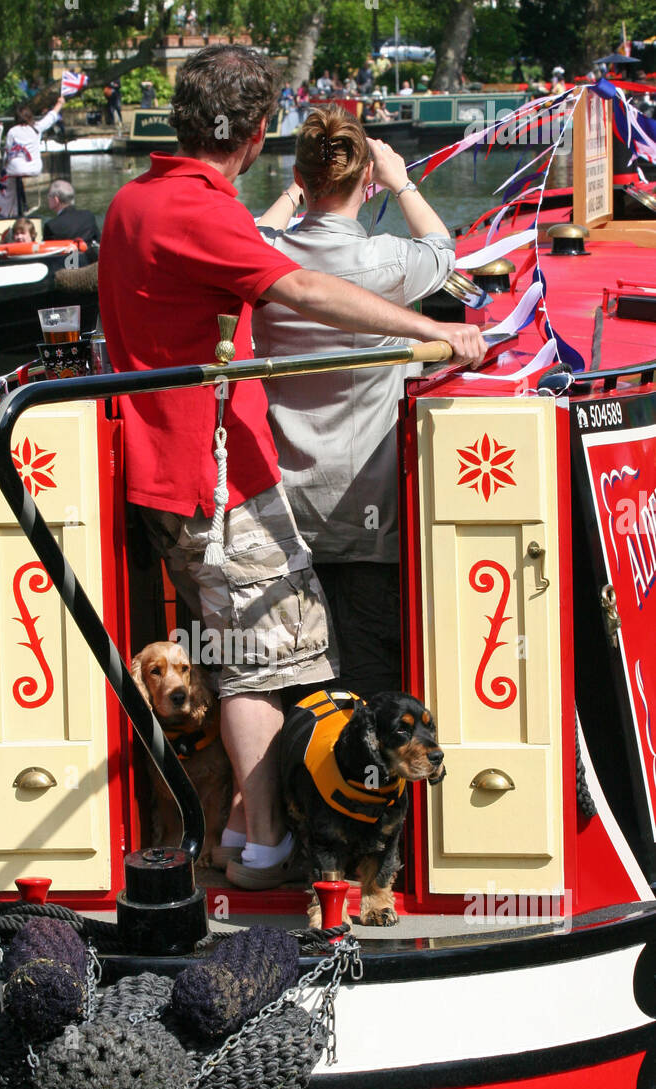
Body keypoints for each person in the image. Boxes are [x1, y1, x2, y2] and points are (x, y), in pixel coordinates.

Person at [98, 45, 484, 887]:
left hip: (165, 467)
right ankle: (265, 845)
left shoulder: (134, 201)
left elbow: (256, 249)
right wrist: (430, 332)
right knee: (268, 659)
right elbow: (301, 287)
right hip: (211, 476)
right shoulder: (202, 213)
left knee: (254, 647)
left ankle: (240, 826)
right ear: (256, 129)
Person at [253, 106, 457, 697]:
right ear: (366, 180)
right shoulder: (388, 261)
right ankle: (372, 783)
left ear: (302, 175)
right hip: (369, 508)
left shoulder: (265, 262)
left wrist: (295, 193)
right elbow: (443, 252)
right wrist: (402, 180)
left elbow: (254, 235)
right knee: (370, 669)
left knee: (294, 673)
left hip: (286, 506)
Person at [0, 97, 65, 218]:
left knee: (7, 177)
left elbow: (8, 152)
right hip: (34, 168)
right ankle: (21, 208)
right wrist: (59, 103)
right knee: (13, 175)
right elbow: (51, 117)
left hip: (15, 169)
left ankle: (4, 211)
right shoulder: (36, 128)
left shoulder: (12, 131)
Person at [43, 180, 100, 251]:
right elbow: (98, 241)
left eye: (49, 196)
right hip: (89, 259)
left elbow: (48, 253)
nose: (48, 199)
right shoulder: (88, 216)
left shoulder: (51, 226)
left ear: (56, 199)